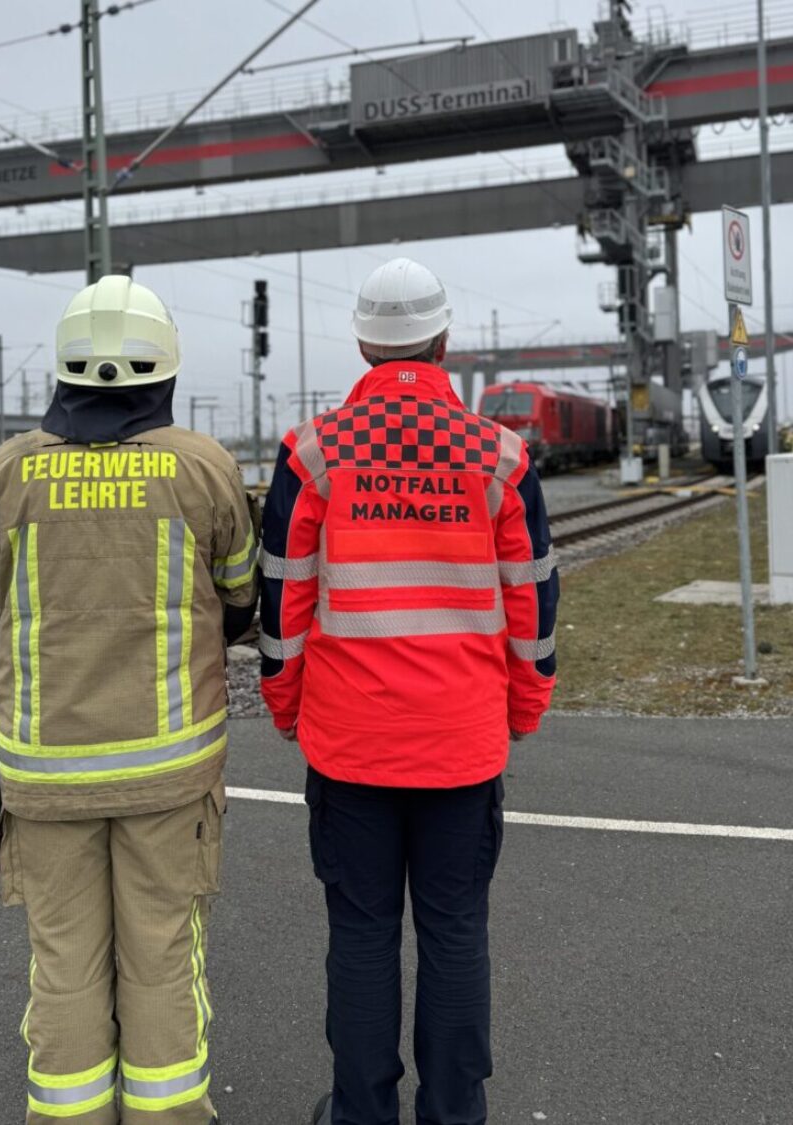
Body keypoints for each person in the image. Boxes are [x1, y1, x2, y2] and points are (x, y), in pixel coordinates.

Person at [258, 257, 558, 1125]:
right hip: (461, 745)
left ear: (363, 345)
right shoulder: (501, 457)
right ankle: (455, 1111)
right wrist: (523, 705)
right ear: (444, 340)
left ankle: (361, 1112)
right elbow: (532, 598)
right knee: (455, 929)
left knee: (361, 934)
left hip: (350, 745)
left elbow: (283, 595)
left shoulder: (314, 453)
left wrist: (287, 703)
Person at [0, 275, 258, 1124]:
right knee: (162, 956)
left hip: (46, 773)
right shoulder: (203, 467)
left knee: (63, 964)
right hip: (168, 774)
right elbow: (241, 599)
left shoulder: (9, 472)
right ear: (165, 371)